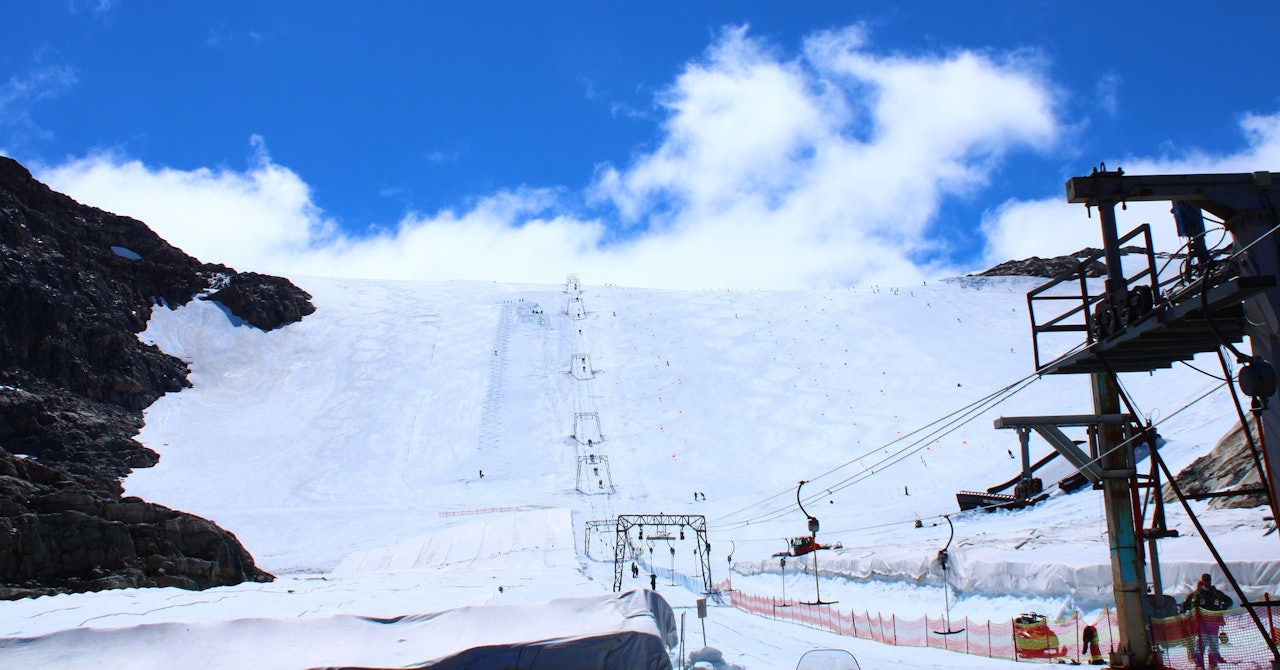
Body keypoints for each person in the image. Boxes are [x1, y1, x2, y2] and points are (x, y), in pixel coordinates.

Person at [1181, 573, 1233, 669]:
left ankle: (1213, 663)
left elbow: (1229, 601)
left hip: (1213, 621)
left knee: (1213, 642)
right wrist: (1192, 615)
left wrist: (1221, 608)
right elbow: (1192, 606)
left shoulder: (1216, 593)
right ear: (1203, 581)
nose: (1207, 582)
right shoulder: (1198, 594)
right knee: (1201, 642)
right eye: (1205, 580)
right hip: (1202, 622)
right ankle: (1199, 663)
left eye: (1208, 580)